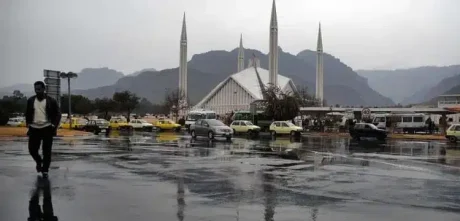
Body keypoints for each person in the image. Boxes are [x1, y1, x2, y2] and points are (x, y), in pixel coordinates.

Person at [25, 81, 61, 178]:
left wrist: (54, 125)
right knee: (32, 150)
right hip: (34, 128)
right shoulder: (31, 100)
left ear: (44, 89)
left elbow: (58, 114)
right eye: (36, 89)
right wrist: (28, 124)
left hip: (47, 128)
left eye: (39, 89)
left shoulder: (51, 101)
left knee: (47, 151)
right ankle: (38, 161)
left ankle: (45, 170)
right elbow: (27, 113)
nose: (37, 91)